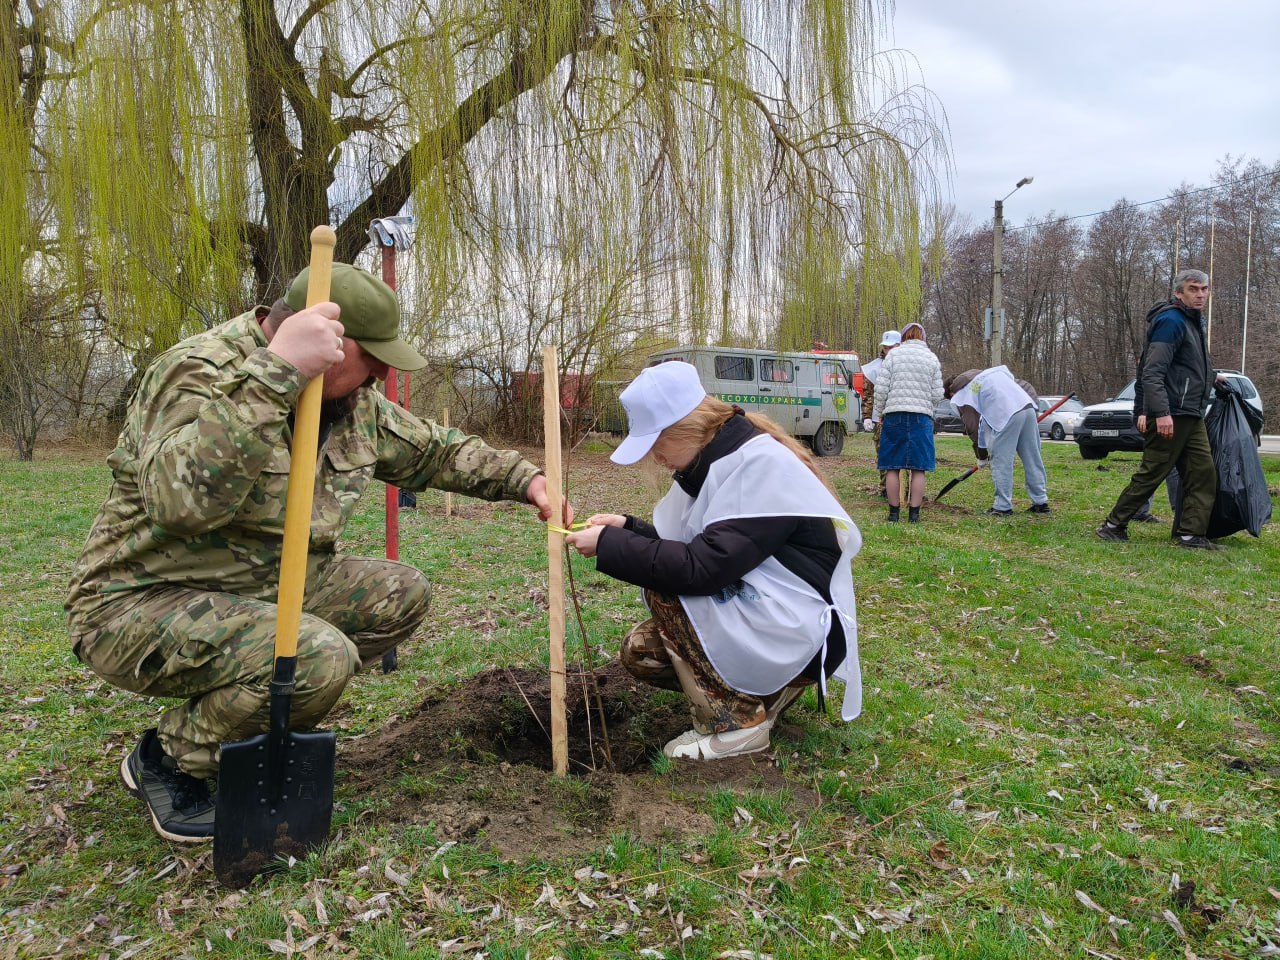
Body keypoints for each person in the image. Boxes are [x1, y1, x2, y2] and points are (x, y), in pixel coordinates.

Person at [66, 263, 564, 842]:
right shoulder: (200, 370)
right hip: (137, 601)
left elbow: (432, 452)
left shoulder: (350, 403)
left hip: (260, 589)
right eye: (371, 358)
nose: (379, 375)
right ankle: (170, 759)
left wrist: (526, 480)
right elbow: (180, 503)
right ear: (326, 336)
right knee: (314, 657)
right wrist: (277, 373)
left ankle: (235, 709)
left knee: (398, 595)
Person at [564, 361, 862, 761]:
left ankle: (738, 726)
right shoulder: (720, 458)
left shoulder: (759, 467)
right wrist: (626, 528)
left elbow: (699, 568)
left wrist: (609, 545)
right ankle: (764, 695)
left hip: (803, 629)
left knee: (667, 590)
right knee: (642, 650)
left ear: (686, 428)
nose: (656, 456)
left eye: (657, 443)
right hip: (776, 616)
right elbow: (706, 545)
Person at [1096, 269, 1221, 550]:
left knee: (1203, 473)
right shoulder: (1171, 321)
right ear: (1179, 293)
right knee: (1153, 473)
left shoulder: (1193, 322)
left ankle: (1190, 535)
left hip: (1190, 413)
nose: (1200, 294)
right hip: (1171, 414)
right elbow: (1152, 372)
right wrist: (1161, 413)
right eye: (1193, 289)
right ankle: (1113, 525)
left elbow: (1187, 366)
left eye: (1204, 289)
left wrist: (1214, 377)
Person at [945, 366, 1050, 516]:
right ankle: (1041, 502)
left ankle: (1002, 507)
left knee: (1001, 462)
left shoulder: (966, 393)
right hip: (1028, 408)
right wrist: (982, 453)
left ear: (952, 392)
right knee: (1033, 458)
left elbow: (975, 427)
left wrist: (981, 456)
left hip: (1007, 414)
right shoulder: (987, 375)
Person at [870, 323, 943, 522]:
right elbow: (937, 394)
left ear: (903, 338)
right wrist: (926, 405)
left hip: (894, 415)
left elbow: (881, 390)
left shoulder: (893, 356)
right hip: (921, 417)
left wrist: (879, 413)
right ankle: (914, 515)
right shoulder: (931, 358)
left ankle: (894, 514)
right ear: (924, 338)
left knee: (892, 466)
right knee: (918, 469)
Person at [860, 329, 901, 497]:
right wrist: (868, 416)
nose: (889, 350)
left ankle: (904, 489)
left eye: (893, 347)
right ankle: (886, 488)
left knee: (903, 452)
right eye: (886, 347)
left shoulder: (908, 365)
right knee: (884, 452)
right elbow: (869, 394)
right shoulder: (874, 368)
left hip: (901, 415)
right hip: (881, 418)